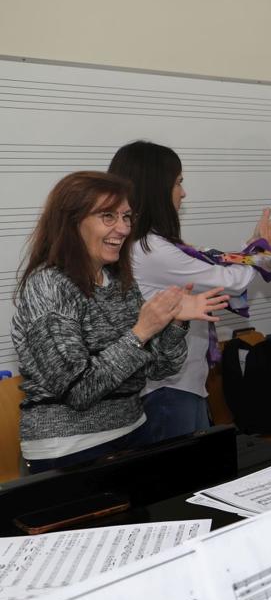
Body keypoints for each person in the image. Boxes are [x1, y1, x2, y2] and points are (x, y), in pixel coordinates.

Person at [12, 171, 228, 473]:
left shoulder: (119, 282)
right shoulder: (48, 285)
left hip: (133, 433)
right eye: (108, 217)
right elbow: (79, 390)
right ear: (72, 222)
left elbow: (160, 368)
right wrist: (142, 330)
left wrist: (175, 324)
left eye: (126, 217)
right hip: (69, 450)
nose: (123, 228)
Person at [110, 140, 271, 441]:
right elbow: (232, 280)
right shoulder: (151, 250)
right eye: (178, 182)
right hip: (168, 388)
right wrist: (265, 246)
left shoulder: (152, 244)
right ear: (157, 187)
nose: (183, 192)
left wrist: (258, 243)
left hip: (177, 381)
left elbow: (218, 264)